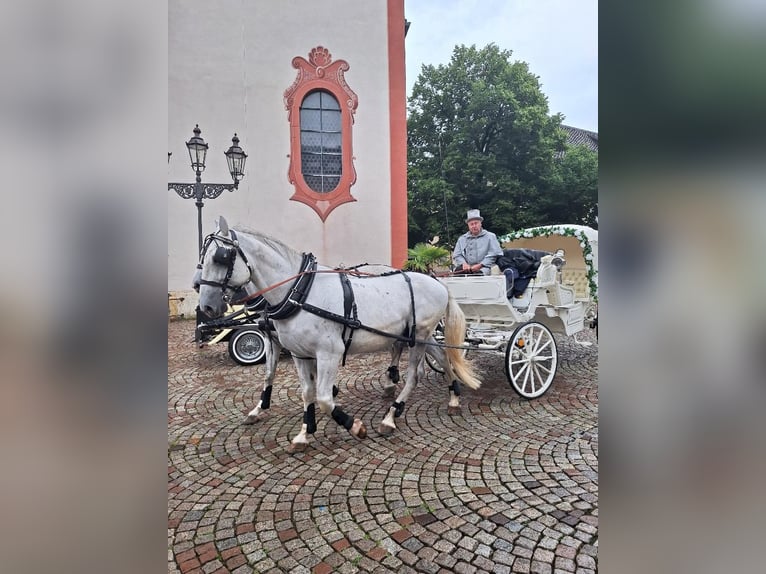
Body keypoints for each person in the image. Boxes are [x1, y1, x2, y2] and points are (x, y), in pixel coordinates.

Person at [452, 209, 503, 275]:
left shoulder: (490, 236)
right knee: (458, 274)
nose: (474, 226)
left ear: (480, 223)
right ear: (468, 226)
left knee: (477, 275)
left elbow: (494, 254)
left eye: (476, 223)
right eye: (471, 224)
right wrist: (464, 264)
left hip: (484, 267)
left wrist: (480, 265)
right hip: (466, 268)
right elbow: (457, 255)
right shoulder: (462, 239)